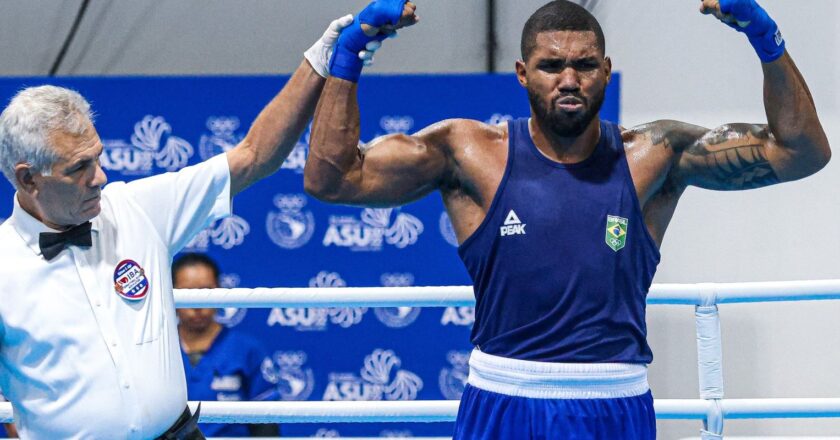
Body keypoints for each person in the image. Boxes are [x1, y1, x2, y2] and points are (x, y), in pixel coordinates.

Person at [304, 0, 831, 438]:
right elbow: (332, 179)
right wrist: (350, 54)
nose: (570, 79)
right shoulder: (468, 152)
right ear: (522, 73)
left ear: (606, 69)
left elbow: (802, 153)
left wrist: (765, 37)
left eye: (585, 65)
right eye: (552, 66)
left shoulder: (654, 154)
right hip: (503, 398)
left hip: (614, 403)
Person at [0, 13, 360, 439]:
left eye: (97, 158)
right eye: (79, 167)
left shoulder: (137, 209)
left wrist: (320, 59)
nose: (100, 177)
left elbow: (253, 156)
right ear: (28, 179)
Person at [173, 253, 279, 437]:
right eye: (187, 292)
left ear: (220, 291)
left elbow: (266, 424)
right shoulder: (157, 350)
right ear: (170, 293)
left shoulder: (247, 350)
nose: (197, 305)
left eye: (206, 291)